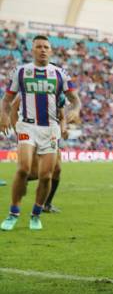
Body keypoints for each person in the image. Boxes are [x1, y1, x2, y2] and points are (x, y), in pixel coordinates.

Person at [0, 35, 80, 230]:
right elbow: (7, 100)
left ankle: (36, 214)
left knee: (46, 175)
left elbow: (75, 100)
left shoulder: (60, 74)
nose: (43, 50)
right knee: (24, 168)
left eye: (46, 47)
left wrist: (75, 111)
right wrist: (3, 115)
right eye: (39, 47)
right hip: (27, 126)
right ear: (32, 50)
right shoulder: (21, 72)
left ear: (51, 51)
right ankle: (13, 213)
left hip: (50, 129)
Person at [10, 92, 67, 213]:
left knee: (57, 170)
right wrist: (19, 131)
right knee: (36, 172)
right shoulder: (28, 90)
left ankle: (47, 204)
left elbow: (62, 117)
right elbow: (13, 108)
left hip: (51, 134)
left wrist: (63, 128)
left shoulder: (59, 96)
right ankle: (22, 181)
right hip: (32, 133)